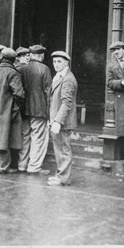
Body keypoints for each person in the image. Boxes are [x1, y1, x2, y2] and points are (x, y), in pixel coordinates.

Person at [18, 45, 52, 174]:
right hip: (39, 109)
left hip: (24, 109)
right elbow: (48, 91)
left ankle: (22, 165)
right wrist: (49, 113)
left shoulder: (22, 69)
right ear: (41, 55)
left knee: (25, 137)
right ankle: (33, 166)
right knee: (38, 138)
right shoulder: (44, 69)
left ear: (31, 55)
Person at [47, 51, 78, 186]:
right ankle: (60, 175)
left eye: (59, 61)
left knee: (64, 149)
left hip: (63, 121)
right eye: (54, 62)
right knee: (59, 148)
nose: (56, 64)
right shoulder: (60, 76)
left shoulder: (68, 79)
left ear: (66, 62)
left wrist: (58, 121)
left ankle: (63, 177)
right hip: (57, 119)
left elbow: (66, 102)